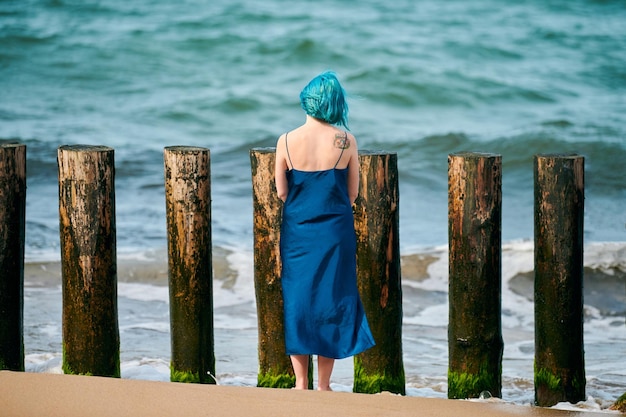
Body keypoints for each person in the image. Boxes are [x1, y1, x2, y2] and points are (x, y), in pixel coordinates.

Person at [274, 71, 375, 391]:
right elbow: (353, 193)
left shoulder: (286, 140)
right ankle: (325, 384)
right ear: (334, 104)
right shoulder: (346, 140)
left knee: (298, 298)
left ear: (307, 101)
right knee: (331, 299)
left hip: (299, 232)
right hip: (335, 231)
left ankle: (301, 382)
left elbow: (280, 192)